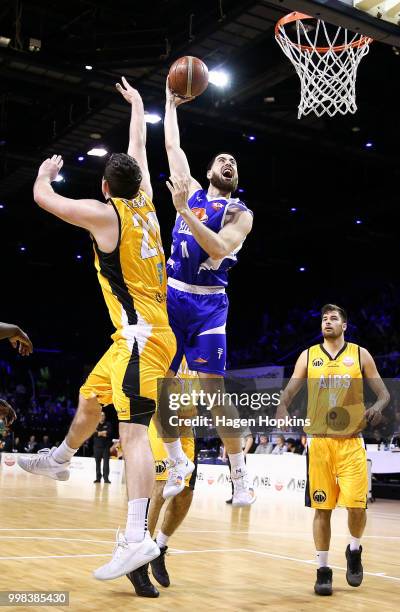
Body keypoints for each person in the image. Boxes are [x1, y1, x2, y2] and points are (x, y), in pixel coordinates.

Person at [18, 77, 176, 582]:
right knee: (90, 399)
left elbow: (46, 199)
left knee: (132, 435)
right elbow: (138, 151)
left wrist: (45, 175)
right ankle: (61, 458)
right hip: (139, 336)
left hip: (141, 339)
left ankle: (136, 538)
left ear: (106, 189)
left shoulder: (107, 217)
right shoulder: (147, 205)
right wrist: (137, 107)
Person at [158, 79, 254, 506]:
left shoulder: (239, 212)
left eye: (234, 161)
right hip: (172, 295)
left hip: (209, 305)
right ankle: (178, 461)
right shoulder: (193, 191)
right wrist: (169, 104)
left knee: (214, 394)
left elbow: (218, 247)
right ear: (211, 170)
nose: (228, 161)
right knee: (162, 384)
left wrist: (181, 213)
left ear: (236, 177)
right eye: (222, 158)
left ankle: (241, 478)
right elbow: (174, 149)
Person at [277, 303, 390, 596]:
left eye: (334, 318)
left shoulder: (359, 354)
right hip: (319, 443)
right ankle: (323, 569)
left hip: (351, 442)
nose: (328, 322)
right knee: (322, 509)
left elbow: (384, 393)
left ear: (345, 326)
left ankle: (354, 549)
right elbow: (290, 389)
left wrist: (377, 407)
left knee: (356, 505)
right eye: (325, 318)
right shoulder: (308, 356)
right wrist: (282, 404)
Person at [127, 357, 198, 598]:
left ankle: (159, 547)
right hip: (161, 426)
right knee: (160, 488)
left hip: (187, 430)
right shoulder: (168, 346)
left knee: (186, 494)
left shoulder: (204, 350)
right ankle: (139, 562)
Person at [93, 412, 112, 483]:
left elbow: (110, 433)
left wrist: (98, 433)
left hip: (106, 448)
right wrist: (102, 433)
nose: (102, 416)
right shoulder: (95, 424)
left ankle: (106, 478)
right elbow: (92, 433)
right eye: (100, 415)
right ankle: (98, 478)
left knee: (106, 463)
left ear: (105, 416)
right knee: (98, 463)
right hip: (97, 447)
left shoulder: (108, 424)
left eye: (103, 415)